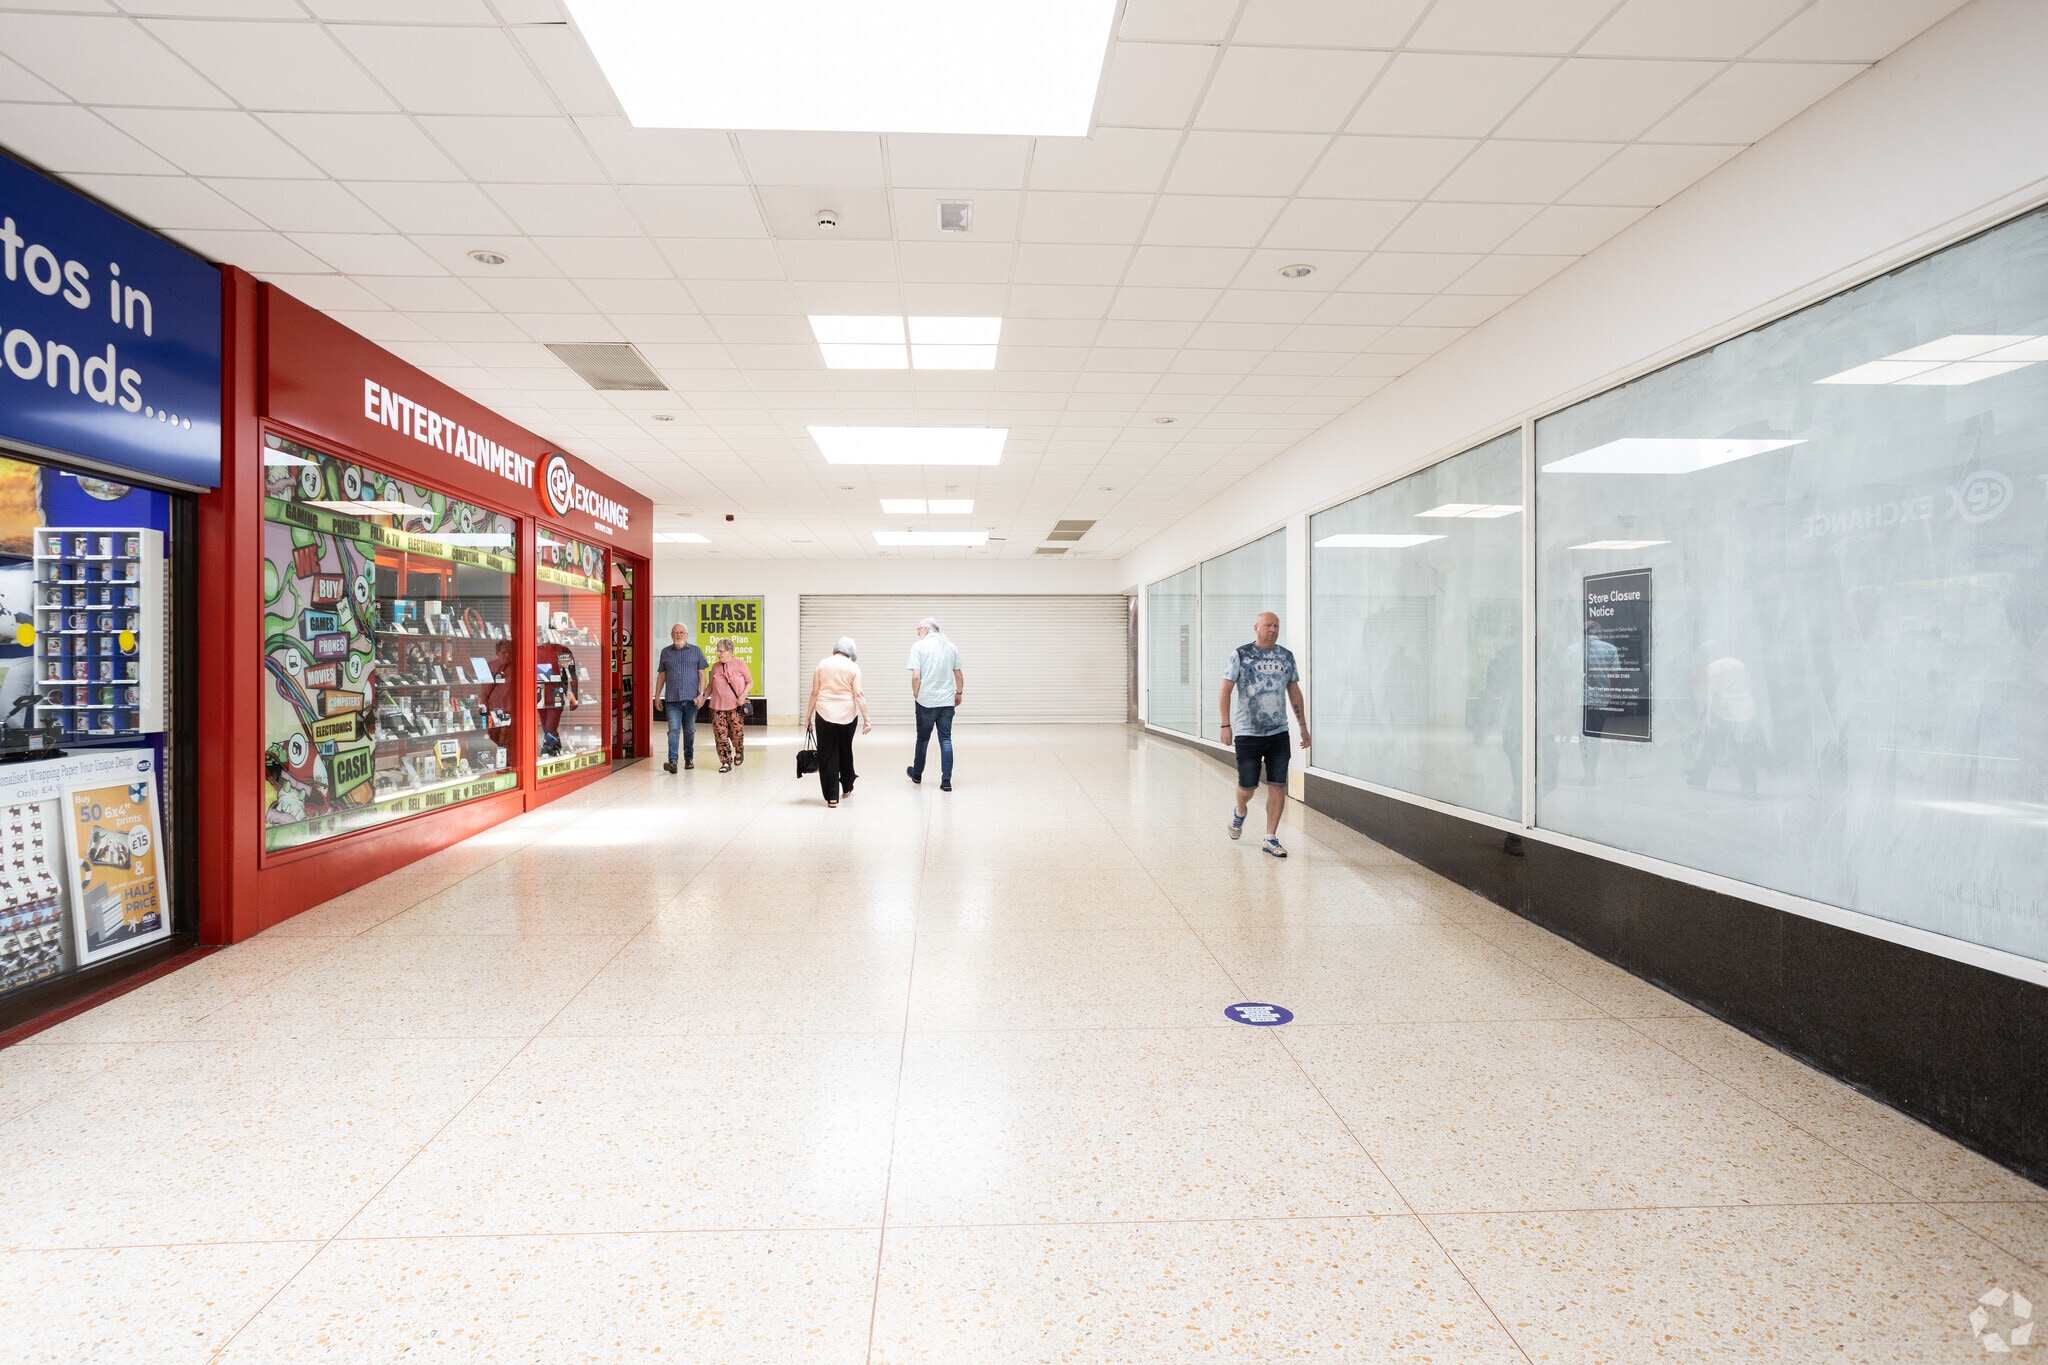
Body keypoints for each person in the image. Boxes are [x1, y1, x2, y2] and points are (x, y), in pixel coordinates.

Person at [1217, 611, 1309, 857]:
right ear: (1256, 627)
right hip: (1248, 733)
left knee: (1277, 785)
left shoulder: (1286, 656)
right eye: (1268, 625)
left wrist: (1302, 726)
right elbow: (1225, 690)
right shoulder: (1241, 654)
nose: (1273, 629)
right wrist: (1226, 725)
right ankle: (1240, 810)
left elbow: (1294, 691)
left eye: (1276, 625)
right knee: (1248, 786)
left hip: (1278, 732)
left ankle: (1270, 837)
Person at [806, 636, 869, 807]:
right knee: (845, 749)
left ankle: (832, 797)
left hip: (824, 713)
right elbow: (859, 695)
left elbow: (814, 692)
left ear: (836, 649)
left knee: (828, 753)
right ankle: (847, 786)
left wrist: (808, 717)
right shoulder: (854, 667)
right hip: (848, 715)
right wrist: (866, 719)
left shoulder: (822, 664)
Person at [904, 616, 963, 791]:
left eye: (918, 629)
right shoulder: (951, 647)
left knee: (922, 739)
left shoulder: (918, 647)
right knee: (945, 739)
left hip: (926, 701)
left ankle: (917, 774)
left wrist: (916, 694)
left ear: (926, 629)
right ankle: (946, 781)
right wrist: (958, 693)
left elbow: (916, 676)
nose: (917, 633)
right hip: (946, 701)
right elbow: (958, 675)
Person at [653, 623, 707, 773]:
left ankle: (689, 758)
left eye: (682, 632)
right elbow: (661, 676)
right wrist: (657, 696)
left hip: (691, 700)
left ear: (687, 635)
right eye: (676, 633)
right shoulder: (665, 652)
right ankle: (673, 762)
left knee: (689, 730)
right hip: (672, 700)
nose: (679, 635)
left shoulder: (696, 651)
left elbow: (702, 674)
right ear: (671, 635)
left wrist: (702, 694)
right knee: (673, 730)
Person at [706, 637, 752, 773]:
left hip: (735, 706)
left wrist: (742, 697)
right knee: (721, 735)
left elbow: (750, 682)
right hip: (717, 706)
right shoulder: (715, 667)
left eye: (721, 651)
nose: (718, 654)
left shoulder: (740, 663)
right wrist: (702, 697)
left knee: (736, 734)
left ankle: (739, 750)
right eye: (717, 651)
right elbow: (711, 686)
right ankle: (725, 762)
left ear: (730, 651)